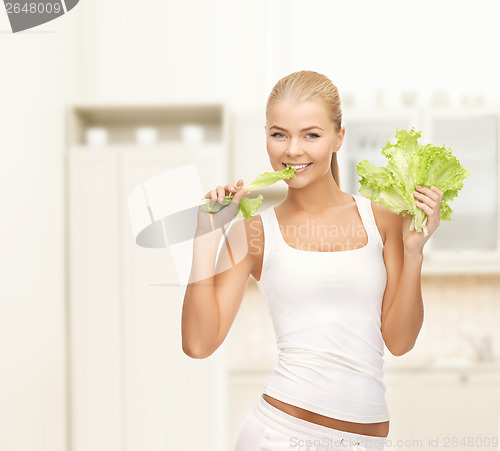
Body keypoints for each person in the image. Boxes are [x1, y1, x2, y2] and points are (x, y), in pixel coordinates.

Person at [181, 70, 443, 451]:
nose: (293, 151)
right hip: (280, 435)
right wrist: (205, 236)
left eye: (311, 135)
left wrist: (415, 251)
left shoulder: (384, 221)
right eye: (279, 134)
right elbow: (199, 344)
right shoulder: (253, 232)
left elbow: (400, 341)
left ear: (339, 137)